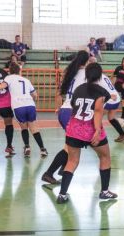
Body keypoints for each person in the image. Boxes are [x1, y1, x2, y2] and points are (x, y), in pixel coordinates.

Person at [57, 63, 118, 203]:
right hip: (90, 129)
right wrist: (97, 130)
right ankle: (104, 191)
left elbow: (74, 106)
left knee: (72, 161)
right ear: (100, 75)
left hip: (74, 128)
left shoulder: (78, 89)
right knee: (105, 157)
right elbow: (98, 112)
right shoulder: (102, 92)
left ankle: (62, 194)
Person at [41, 50, 90, 184]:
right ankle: (49, 173)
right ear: (87, 60)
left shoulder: (70, 72)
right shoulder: (86, 74)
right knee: (70, 147)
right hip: (73, 113)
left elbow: (59, 92)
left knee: (71, 145)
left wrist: (59, 106)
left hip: (65, 110)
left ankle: (63, 168)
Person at [0, 62, 48, 157]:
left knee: (24, 127)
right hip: (30, 105)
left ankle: (27, 147)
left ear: (9, 71)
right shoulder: (26, 80)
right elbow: (35, 95)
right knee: (34, 128)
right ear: (19, 70)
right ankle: (43, 149)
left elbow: (2, 86)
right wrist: (31, 101)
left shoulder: (9, 78)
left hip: (18, 106)